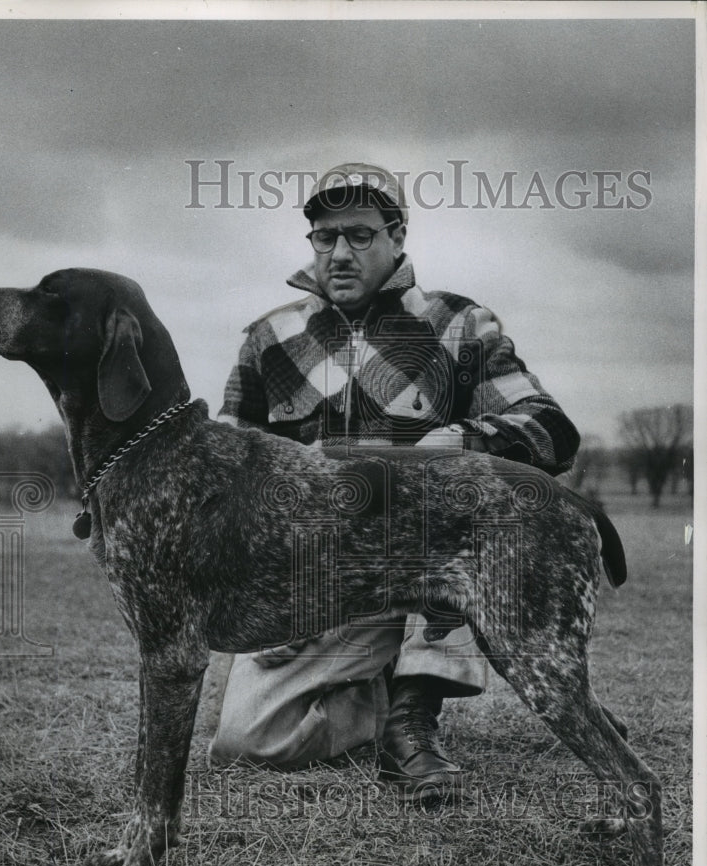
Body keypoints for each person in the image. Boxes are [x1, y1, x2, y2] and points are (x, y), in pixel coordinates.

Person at [210, 162, 579, 798]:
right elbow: (226, 470)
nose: (340, 253)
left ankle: (414, 715)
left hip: (433, 572)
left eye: (360, 234)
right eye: (326, 237)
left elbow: (551, 428)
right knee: (245, 745)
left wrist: (467, 439)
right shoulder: (269, 340)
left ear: (397, 235)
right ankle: (374, 696)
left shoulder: (460, 325)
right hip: (320, 578)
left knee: (460, 508)